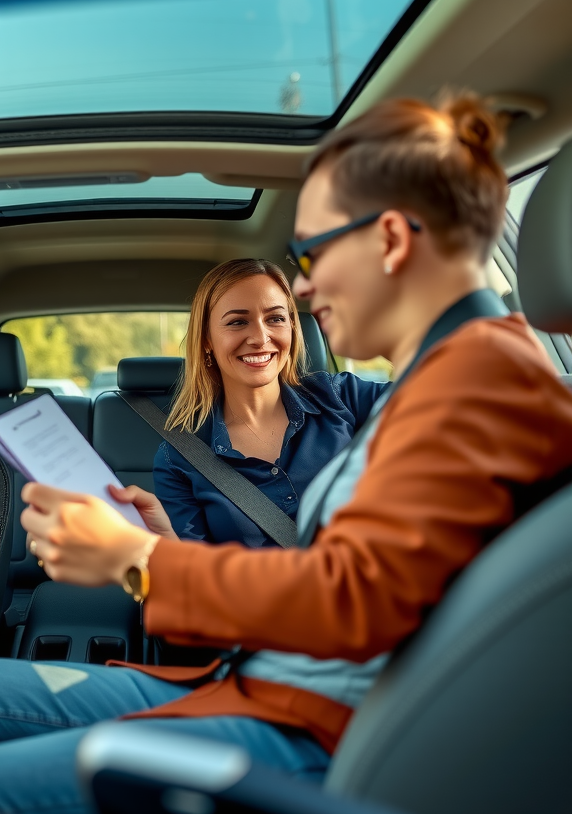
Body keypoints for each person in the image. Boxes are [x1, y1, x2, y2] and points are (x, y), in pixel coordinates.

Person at [4, 91, 572, 814]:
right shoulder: (455, 377)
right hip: (255, 685)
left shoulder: (479, 383)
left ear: (389, 240)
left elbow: (349, 598)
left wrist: (137, 558)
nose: (303, 286)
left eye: (310, 254)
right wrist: (154, 549)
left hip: (308, 730)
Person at [149, 258, 386, 546]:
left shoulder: (341, 397)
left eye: (275, 319)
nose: (261, 338)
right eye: (237, 322)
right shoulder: (179, 458)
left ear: (292, 327)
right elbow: (196, 568)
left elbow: (432, 397)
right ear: (207, 339)